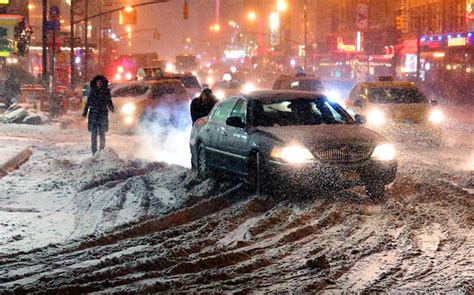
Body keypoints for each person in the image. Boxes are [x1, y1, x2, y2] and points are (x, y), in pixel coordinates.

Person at [82, 75, 114, 155]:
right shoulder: (93, 91)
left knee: (102, 133)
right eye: (98, 82)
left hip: (102, 113)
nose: (99, 84)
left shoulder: (106, 91)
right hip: (94, 114)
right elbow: (88, 102)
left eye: (101, 82)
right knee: (94, 134)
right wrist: (85, 112)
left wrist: (111, 108)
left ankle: (102, 151)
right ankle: (94, 152)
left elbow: (109, 101)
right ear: (96, 83)